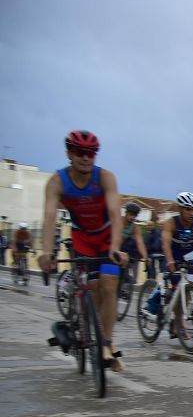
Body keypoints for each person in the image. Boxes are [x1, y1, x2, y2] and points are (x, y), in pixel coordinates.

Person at [38, 130, 127, 372]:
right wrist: (47, 251)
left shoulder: (105, 178)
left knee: (109, 285)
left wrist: (116, 247)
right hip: (82, 239)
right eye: (79, 152)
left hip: (107, 237)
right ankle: (83, 323)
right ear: (69, 153)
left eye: (90, 153)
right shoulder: (57, 182)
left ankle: (107, 344)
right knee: (94, 289)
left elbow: (115, 216)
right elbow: (49, 217)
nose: (85, 158)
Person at [156, 192, 193, 339]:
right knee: (175, 291)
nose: (191, 213)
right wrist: (169, 261)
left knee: (188, 289)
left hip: (191, 255)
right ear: (179, 209)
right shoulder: (171, 223)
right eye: (188, 209)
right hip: (174, 255)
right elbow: (165, 244)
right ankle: (177, 321)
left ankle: (179, 323)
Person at [120, 202, 148, 282]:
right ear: (126, 213)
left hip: (124, 254)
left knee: (124, 276)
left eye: (135, 215)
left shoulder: (135, 227)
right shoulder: (117, 221)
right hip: (112, 249)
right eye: (131, 214)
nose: (133, 217)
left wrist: (145, 257)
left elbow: (140, 242)